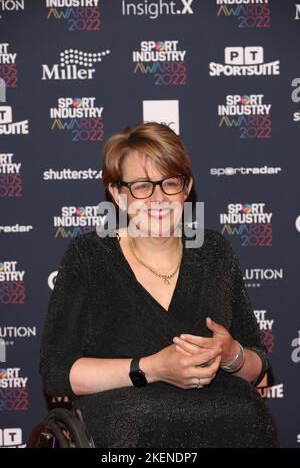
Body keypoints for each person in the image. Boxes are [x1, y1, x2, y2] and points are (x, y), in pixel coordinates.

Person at [40, 122, 280, 448]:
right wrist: (151, 369)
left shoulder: (214, 253)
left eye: (169, 183)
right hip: (129, 430)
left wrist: (230, 354)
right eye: (141, 185)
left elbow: (258, 365)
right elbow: (56, 371)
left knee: (254, 416)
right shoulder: (88, 257)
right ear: (118, 194)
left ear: (186, 187)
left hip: (232, 421)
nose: (157, 198)